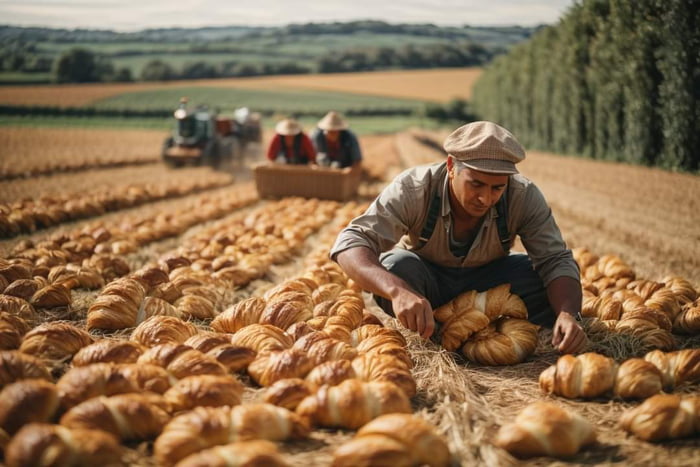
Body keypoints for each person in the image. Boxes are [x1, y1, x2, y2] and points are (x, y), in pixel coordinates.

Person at [330, 121, 586, 354]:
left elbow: (555, 259)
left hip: (489, 283)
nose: (486, 198)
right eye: (476, 184)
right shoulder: (414, 188)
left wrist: (568, 314)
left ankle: (481, 329)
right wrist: (398, 292)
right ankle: (439, 325)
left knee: (546, 279)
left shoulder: (523, 195)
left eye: (497, 188)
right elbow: (351, 243)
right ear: (451, 166)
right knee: (395, 267)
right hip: (428, 285)